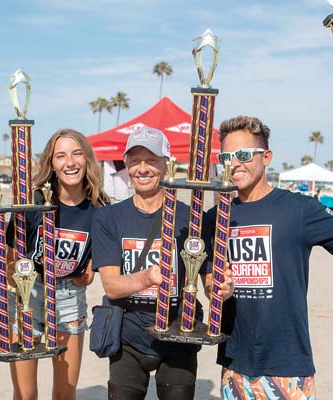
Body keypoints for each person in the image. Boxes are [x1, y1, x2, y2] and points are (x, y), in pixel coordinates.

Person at [203, 115, 333, 400]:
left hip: (288, 367)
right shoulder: (215, 218)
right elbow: (210, 287)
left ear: (267, 157)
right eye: (226, 156)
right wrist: (217, 290)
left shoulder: (299, 209)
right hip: (235, 364)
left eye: (244, 154)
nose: (234, 163)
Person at [91, 126, 234, 400]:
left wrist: (220, 289)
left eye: (151, 160)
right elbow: (112, 287)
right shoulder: (108, 218)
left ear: (167, 165)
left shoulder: (193, 219)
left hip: (179, 333)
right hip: (128, 337)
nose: (142, 168)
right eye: (134, 161)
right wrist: (148, 277)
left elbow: (205, 280)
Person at [5, 128, 108, 400]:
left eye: (76, 154)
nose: (70, 162)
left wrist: (91, 270)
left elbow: (101, 255)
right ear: (51, 163)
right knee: (25, 393)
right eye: (60, 156)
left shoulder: (100, 207)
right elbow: (9, 258)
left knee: (65, 392)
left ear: (87, 159)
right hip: (30, 293)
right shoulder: (32, 202)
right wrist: (18, 282)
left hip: (70, 297)